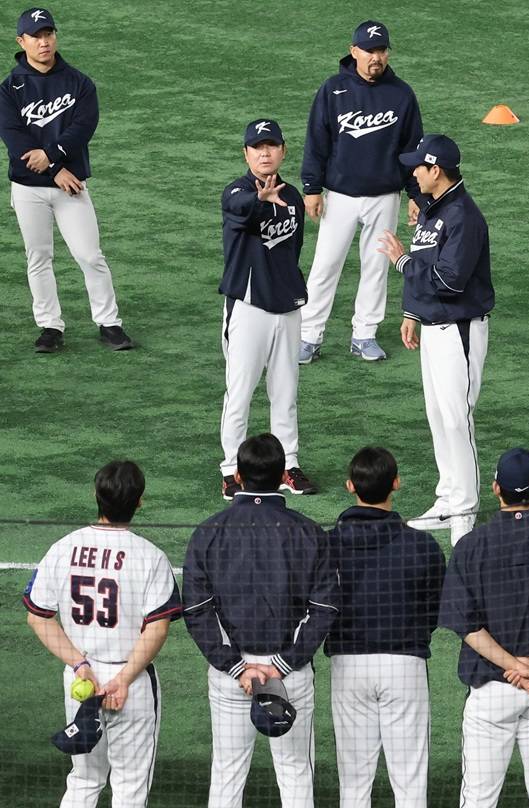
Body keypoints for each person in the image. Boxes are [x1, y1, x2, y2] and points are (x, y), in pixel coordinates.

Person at [183, 433, 340, 808]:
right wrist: (283, 664)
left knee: (227, 775)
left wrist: (236, 667)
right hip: (290, 674)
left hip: (231, 677)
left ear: (237, 476)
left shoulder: (208, 531)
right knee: (296, 772)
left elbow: (196, 610)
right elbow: (324, 608)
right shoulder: (309, 532)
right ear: (284, 476)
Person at [23, 460, 182, 807]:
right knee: (130, 786)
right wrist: (122, 680)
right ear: (139, 502)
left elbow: (38, 617)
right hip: (132, 684)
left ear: (96, 495)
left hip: (81, 681)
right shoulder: (150, 557)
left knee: (83, 780)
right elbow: (157, 628)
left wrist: (80, 665)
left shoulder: (63, 547)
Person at [378, 134, 495, 544]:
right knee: (438, 417)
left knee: (457, 419)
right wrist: (412, 312)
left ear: (437, 170)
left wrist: (401, 262)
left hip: (459, 329)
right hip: (434, 327)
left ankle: (465, 510)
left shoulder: (463, 216)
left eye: (419, 167)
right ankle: (447, 499)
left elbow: (449, 280)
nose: (413, 173)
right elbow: (428, 263)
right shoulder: (434, 209)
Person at [0, 8, 133, 353]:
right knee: (38, 257)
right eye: (36, 36)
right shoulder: (10, 88)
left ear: (55, 36)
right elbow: (14, 138)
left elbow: (83, 128)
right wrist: (55, 169)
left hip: (71, 188)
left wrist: (52, 156)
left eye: (48, 34)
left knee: (89, 255)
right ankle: (50, 326)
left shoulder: (79, 82)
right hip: (30, 188)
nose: (44, 42)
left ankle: (109, 323)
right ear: (21, 41)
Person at [326, 446, 445, 808]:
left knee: (354, 782)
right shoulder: (422, 545)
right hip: (405, 664)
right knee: (410, 782)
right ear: (396, 483)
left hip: (349, 666)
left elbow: (317, 606)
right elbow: (434, 609)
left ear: (350, 486)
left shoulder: (328, 545)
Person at [299, 19, 423, 365]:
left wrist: (416, 194)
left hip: (385, 196)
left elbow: (412, 148)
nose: (375, 57)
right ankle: (309, 336)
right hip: (340, 196)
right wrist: (312, 188)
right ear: (353, 51)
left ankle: (365, 335)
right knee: (325, 265)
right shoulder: (333, 89)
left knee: (376, 266)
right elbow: (317, 140)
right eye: (369, 50)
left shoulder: (402, 94)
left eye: (381, 50)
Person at [438, 447, 529, 808]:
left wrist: (514, 666)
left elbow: (467, 626)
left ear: (496, 488)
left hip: (491, 694)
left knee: (479, 800)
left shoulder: (470, 546)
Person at [219, 118, 316, 499]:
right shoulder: (236, 191)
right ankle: (231, 468)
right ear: (245, 154)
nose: (265, 153)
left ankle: (288, 464)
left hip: (287, 305)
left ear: (283, 151)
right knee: (240, 391)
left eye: (271, 145)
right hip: (249, 307)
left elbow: (294, 247)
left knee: (286, 390)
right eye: (257, 147)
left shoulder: (292, 196)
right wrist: (259, 199)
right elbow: (239, 208)